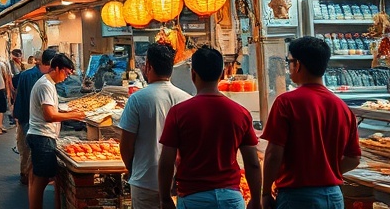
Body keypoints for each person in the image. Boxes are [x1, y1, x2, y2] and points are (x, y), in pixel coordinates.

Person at [261, 36, 360, 209]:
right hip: (334, 196)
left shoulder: (286, 102)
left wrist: (265, 192)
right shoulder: (342, 107)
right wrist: (325, 171)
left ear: (297, 64)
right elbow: (354, 158)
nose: (289, 67)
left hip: (297, 197)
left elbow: (274, 154)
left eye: (289, 61)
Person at [158, 46, 261, 209]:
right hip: (230, 199)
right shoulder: (240, 113)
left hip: (193, 198)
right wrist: (256, 199)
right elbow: (253, 163)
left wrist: (164, 198)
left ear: (193, 74)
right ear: (222, 75)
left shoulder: (178, 113)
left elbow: (166, 162)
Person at [117, 43, 191, 209]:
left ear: (148, 65)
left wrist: (133, 168)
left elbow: (126, 145)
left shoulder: (137, 99)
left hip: (144, 180)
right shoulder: (186, 99)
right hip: (177, 181)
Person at [26, 54, 86, 209]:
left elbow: (51, 110)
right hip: (42, 136)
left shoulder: (48, 83)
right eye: (66, 73)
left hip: (38, 134)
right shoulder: (46, 85)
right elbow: (49, 115)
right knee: (42, 178)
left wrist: (68, 111)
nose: (66, 77)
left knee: (35, 177)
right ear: (57, 68)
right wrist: (76, 115)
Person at [13, 48, 57, 186]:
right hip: (30, 119)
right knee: (28, 149)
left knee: (29, 150)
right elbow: (20, 97)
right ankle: (28, 176)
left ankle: (29, 175)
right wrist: (19, 118)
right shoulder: (35, 78)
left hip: (31, 118)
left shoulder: (30, 75)